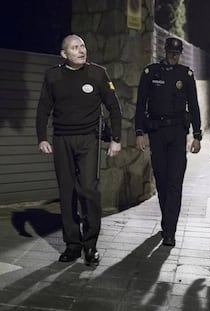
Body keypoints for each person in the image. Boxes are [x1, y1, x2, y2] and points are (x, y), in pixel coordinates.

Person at [36, 34, 122, 265]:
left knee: (88, 190)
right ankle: (72, 245)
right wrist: (42, 138)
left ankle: (90, 245)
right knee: (67, 192)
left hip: (88, 140)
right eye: (75, 47)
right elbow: (43, 108)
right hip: (62, 139)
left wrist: (116, 139)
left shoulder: (97, 73)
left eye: (82, 46)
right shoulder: (53, 76)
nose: (81, 50)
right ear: (64, 54)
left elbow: (114, 107)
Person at [135, 37, 202, 247]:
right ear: (165, 51)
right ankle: (167, 221)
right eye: (170, 52)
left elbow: (194, 105)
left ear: (180, 53)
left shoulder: (186, 75)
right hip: (157, 132)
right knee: (162, 181)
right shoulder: (150, 73)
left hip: (177, 133)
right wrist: (139, 132)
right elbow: (140, 104)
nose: (173, 56)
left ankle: (170, 230)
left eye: (177, 53)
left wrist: (197, 135)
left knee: (174, 182)